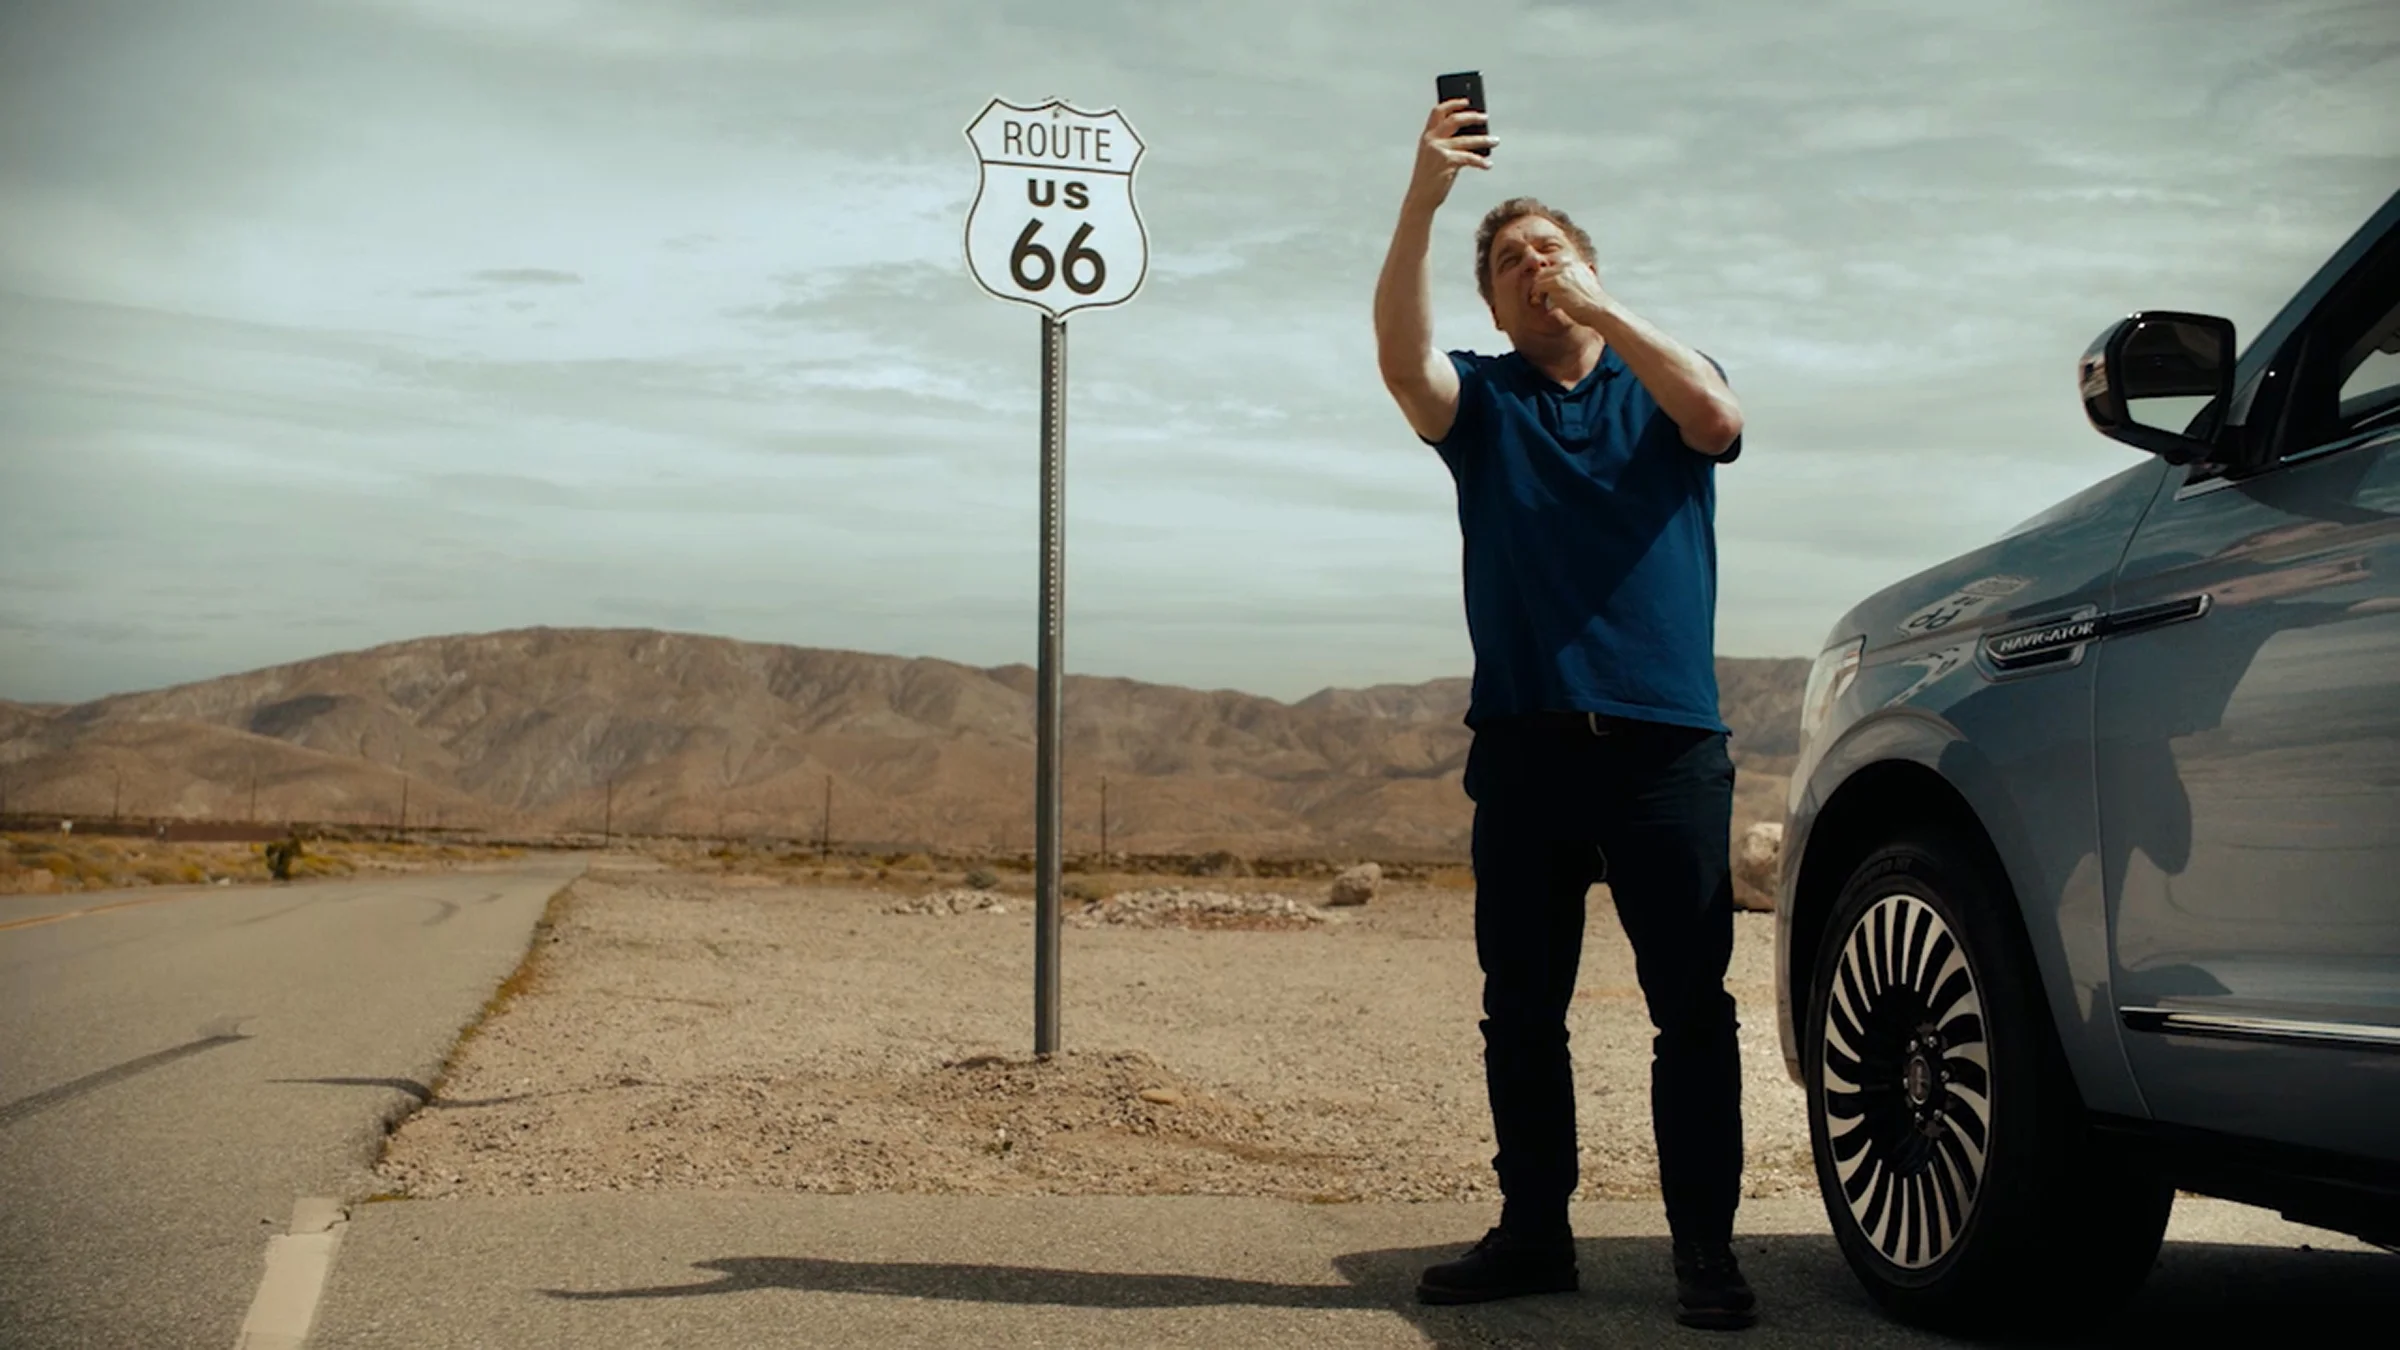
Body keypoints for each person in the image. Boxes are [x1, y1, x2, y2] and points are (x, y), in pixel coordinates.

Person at [1371, 96, 1755, 1331]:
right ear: (1487, 304)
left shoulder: (1660, 384)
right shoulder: (1483, 403)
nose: (1528, 267)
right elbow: (1398, 361)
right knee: (1520, 1011)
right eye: (1507, 262)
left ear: (1588, 267)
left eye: (1546, 249)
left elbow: (1720, 420)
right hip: (1528, 748)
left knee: (1690, 1007)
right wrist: (1427, 203)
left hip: (1665, 751)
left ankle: (1705, 1250)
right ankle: (1535, 1233)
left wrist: (1600, 309)